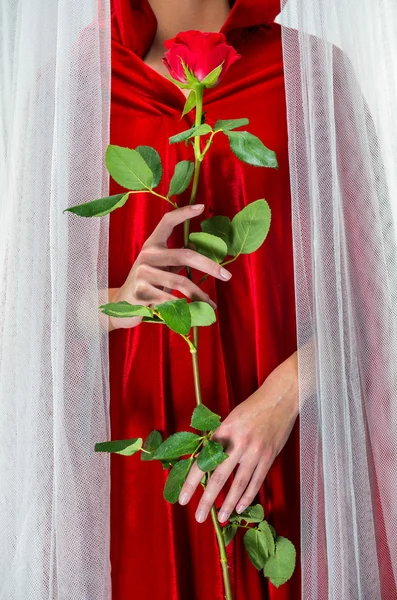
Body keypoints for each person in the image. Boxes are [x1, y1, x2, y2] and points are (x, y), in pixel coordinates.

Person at [108, 0, 300, 598]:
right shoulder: (76, 85)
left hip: (287, 445)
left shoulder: (310, 74)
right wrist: (115, 297)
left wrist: (287, 392)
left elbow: (375, 293)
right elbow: (29, 307)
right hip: (138, 456)